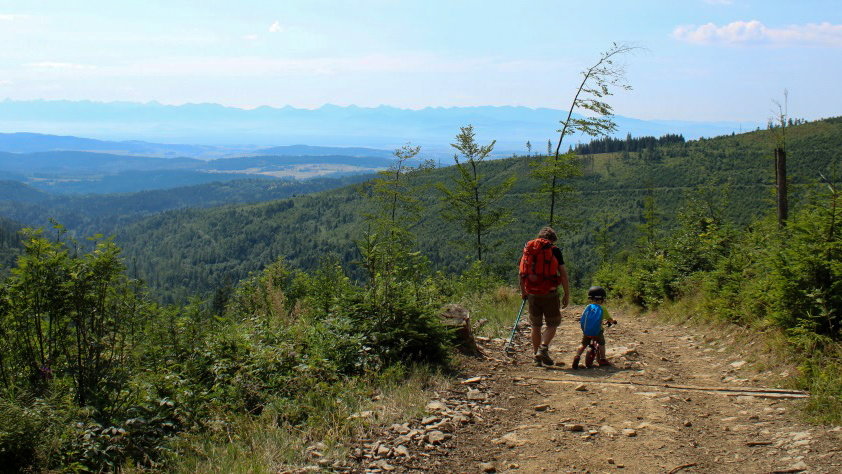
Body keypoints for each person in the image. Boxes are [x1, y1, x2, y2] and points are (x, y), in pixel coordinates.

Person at [519, 226, 570, 366]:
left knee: (536, 325)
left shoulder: (529, 249)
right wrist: (566, 294)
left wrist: (523, 292)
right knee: (553, 323)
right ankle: (543, 348)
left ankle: (536, 357)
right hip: (550, 293)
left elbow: (521, 272)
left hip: (532, 293)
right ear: (552, 240)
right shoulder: (554, 250)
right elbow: (563, 275)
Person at [572, 286, 616, 369]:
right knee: (602, 343)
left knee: (583, 344)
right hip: (597, 331)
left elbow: (583, 318)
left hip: (587, 331)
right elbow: (609, 319)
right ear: (602, 299)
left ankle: (577, 356)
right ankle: (603, 359)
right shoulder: (602, 308)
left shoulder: (588, 307)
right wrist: (613, 321)